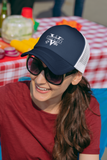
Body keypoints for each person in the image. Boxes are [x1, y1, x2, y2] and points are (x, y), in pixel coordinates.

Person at [0, 25, 101, 160]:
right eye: (36, 65)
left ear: (76, 77)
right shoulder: (7, 98)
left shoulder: (86, 107)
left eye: (54, 74)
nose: (39, 80)